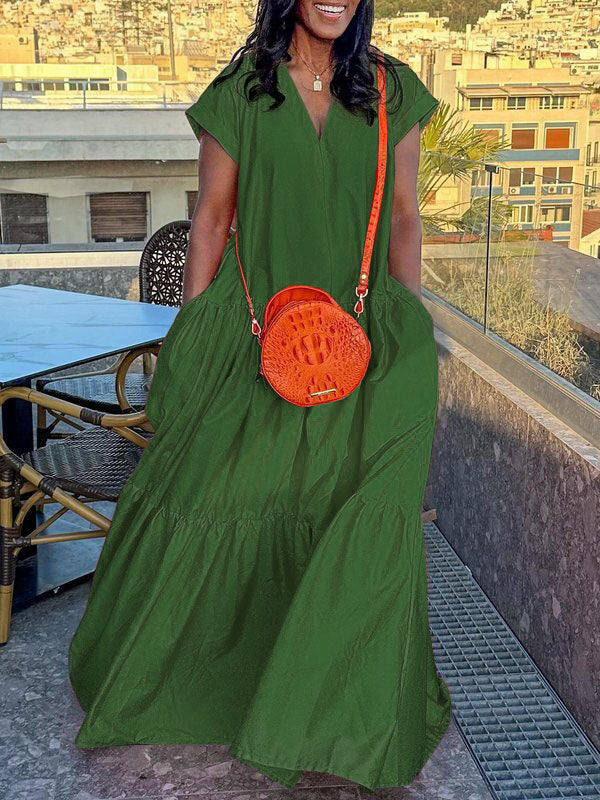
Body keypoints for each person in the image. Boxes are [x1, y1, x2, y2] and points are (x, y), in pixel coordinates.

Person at [68, 0, 452, 792]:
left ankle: (336, 718)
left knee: (354, 511)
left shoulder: (392, 89)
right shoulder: (242, 90)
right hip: (255, 333)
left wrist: (404, 329)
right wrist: (194, 341)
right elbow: (211, 222)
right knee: (217, 494)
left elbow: (405, 220)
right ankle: (220, 685)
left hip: (362, 342)